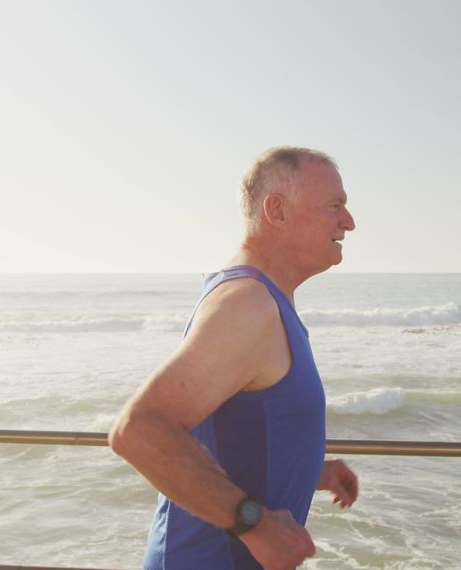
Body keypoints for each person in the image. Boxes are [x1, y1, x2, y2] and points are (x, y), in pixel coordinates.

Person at [109, 146, 359, 570]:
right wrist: (255, 524)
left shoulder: (265, 301)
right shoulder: (248, 305)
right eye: (335, 207)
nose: (348, 222)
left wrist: (309, 470)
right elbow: (139, 431)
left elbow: (232, 435)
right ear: (276, 210)